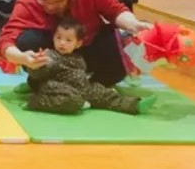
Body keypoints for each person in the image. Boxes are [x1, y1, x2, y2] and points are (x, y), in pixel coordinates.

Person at [0, 0, 153, 87]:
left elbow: (115, 10)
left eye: (58, 1)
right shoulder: (27, 0)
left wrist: (134, 24)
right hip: (53, 57)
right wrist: (22, 58)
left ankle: (93, 86)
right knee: (27, 40)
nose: (50, 6)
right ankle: (44, 83)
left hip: (89, 47)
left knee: (125, 42)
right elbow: (6, 39)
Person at [23, 17, 156, 115]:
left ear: (78, 43)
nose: (62, 43)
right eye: (58, 38)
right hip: (57, 87)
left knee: (104, 93)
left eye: (68, 40)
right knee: (72, 100)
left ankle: (134, 105)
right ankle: (35, 101)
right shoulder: (50, 55)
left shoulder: (78, 57)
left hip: (83, 87)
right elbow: (39, 71)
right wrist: (38, 64)